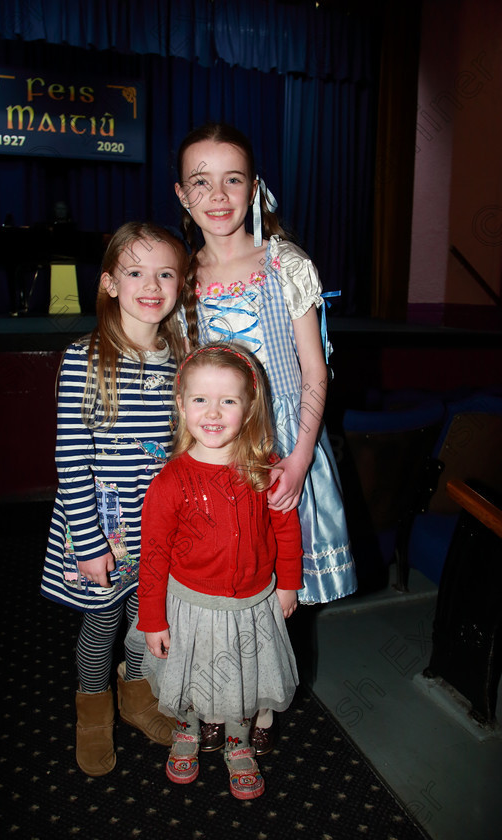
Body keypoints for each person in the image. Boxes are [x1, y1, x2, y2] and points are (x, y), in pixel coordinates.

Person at [173, 121, 358, 752]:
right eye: (202, 181)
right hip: (215, 465)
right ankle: (214, 703)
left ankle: (261, 709)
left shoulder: (286, 264)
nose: (217, 194)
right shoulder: (181, 276)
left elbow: (315, 369)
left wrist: (302, 457)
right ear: (181, 194)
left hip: (286, 455)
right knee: (221, 591)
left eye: (232, 179)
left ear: (254, 188)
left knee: (281, 599)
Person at [41, 221, 188, 777]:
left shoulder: (179, 361)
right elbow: (71, 462)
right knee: (103, 621)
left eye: (165, 273)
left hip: (157, 525)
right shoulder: (86, 358)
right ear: (108, 282)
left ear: (180, 283)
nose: (151, 285)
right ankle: (92, 713)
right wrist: (86, 541)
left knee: (143, 615)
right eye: (135, 272)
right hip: (102, 527)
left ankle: (136, 698)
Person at [135, 344, 303, 800]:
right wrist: (152, 619)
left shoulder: (263, 471)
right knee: (191, 673)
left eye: (227, 400)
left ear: (249, 408)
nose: (213, 412)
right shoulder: (168, 482)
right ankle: (187, 731)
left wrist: (288, 583)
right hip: (190, 605)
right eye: (200, 400)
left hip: (253, 604)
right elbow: (152, 555)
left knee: (243, 675)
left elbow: (286, 530)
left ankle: (238, 741)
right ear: (181, 405)